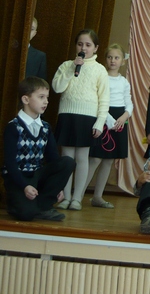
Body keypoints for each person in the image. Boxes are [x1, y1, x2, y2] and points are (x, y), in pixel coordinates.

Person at [2, 77, 75, 221]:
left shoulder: (46, 127)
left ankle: (44, 206)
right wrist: (25, 186)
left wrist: (58, 187)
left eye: (47, 98)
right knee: (26, 214)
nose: (46, 102)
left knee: (67, 162)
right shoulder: (13, 127)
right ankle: (18, 205)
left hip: (36, 175)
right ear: (26, 99)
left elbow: (53, 159)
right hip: (19, 177)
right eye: (41, 97)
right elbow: (10, 163)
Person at [52, 29, 109, 211]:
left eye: (88, 45)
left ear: (95, 48)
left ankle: (77, 198)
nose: (83, 48)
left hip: (87, 118)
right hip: (67, 115)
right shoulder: (66, 65)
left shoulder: (100, 70)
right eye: (80, 44)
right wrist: (71, 68)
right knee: (67, 157)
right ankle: (66, 197)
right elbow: (57, 88)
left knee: (82, 158)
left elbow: (104, 99)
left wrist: (100, 122)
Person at [85, 44, 133, 209]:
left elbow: (129, 102)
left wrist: (125, 116)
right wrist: (109, 119)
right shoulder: (101, 76)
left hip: (120, 119)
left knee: (108, 160)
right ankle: (78, 194)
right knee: (95, 158)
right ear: (105, 59)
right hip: (104, 117)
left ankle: (98, 196)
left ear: (122, 61)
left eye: (116, 58)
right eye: (110, 57)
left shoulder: (124, 81)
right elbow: (98, 100)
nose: (113, 60)